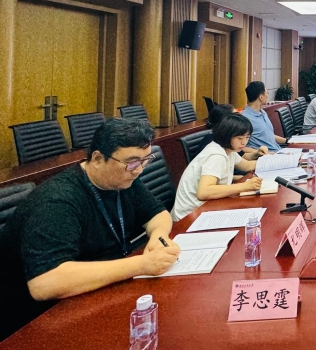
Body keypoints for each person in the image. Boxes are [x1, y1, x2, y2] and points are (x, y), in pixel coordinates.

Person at [0, 118, 180, 340]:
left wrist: (158, 236)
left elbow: (157, 214)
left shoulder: (121, 179)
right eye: (132, 163)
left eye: (145, 161)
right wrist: (141, 264)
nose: (139, 171)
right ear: (97, 158)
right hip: (38, 320)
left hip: (96, 290)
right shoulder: (57, 201)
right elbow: (45, 283)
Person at [171, 114, 263, 221]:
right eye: (240, 138)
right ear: (227, 135)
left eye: (247, 137)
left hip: (207, 206)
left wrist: (273, 161)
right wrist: (244, 186)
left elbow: (247, 165)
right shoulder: (216, 155)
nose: (244, 142)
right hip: (189, 216)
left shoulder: (229, 150)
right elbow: (203, 192)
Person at [241, 81, 287, 156]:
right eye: (267, 93)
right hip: (266, 157)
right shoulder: (245, 118)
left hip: (278, 151)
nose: (268, 95)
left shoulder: (263, 112)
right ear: (261, 97)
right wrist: (260, 152)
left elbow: (268, 135)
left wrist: (288, 140)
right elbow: (241, 147)